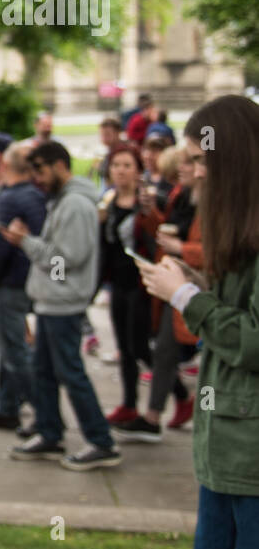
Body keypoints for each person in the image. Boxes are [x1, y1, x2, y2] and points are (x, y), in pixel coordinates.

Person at [138, 95, 259, 549]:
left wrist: (189, 299)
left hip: (250, 455)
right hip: (222, 450)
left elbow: (256, 340)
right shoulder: (236, 233)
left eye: (197, 160)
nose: (190, 173)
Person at [3, 141, 122, 471]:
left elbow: (65, 259)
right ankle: (49, 432)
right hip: (52, 302)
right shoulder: (65, 200)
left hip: (63, 304)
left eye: (39, 169)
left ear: (58, 165)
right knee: (44, 372)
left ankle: (101, 441)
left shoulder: (74, 205)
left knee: (71, 373)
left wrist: (26, 243)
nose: (36, 178)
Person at [117, 145, 196, 441]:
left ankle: (154, 415)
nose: (192, 170)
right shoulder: (181, 195)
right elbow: (165, 231)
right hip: (165, 279)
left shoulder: (201, 198)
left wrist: (181, 249)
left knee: (164, 347)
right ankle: (165, 407)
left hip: (185, 284)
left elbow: (208, 247)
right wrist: (151, 215)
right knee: (154, 346)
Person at [0, 142, 47, 430]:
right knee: (6, 342)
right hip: (19, 280)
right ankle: (7, 406)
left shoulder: (12, 197)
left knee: (14, 350)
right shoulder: (31, 193)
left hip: (7, 283)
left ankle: (46, 417)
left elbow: (1, 245)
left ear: (6, 165)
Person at [98, 143, 155, 427]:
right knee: (124, 347)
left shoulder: (145, 205)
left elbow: (154, 243)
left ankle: (179, 392)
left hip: (141, 286)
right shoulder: (106, 202)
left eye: (127, 165)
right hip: (116, 284)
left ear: (138, 171)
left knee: (139, 347)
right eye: (116, 165)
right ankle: (129, 404)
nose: (120, 171)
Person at [92, 117, 122, 187]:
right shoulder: (108, 151)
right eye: (102, 134)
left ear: (117, 133)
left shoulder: (122, 153)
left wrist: (100, 167)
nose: (104, 138)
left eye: (107, 134)